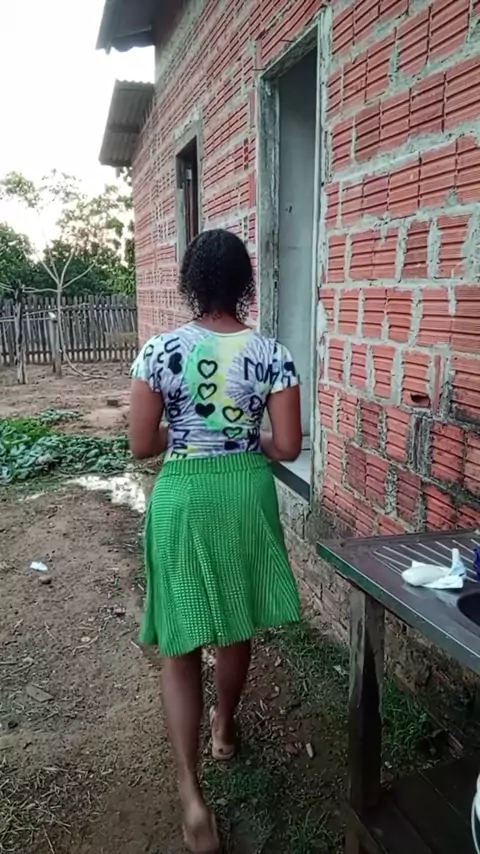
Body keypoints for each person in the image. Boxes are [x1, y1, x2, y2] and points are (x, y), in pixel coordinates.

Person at [129, 228, 302, 853]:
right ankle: (224, 729)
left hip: (183, 494)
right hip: (243, 493)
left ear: (191, 284)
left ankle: (191, 795)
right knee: (235, 621)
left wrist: (185, 435)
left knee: (179, 642)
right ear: (245, 284)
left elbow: (142, 444)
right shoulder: (272, 354)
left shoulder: (159, 351)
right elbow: (288, 446)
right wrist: (245, 439)